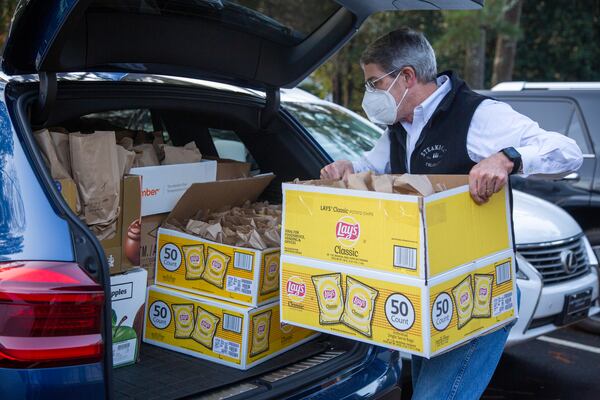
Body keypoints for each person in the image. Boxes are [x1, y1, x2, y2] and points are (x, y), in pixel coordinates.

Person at [320, 28, 583, 400]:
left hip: (476, 293)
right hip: (425, 292)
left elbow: (566, 151)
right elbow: (369, 167)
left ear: (406, 76)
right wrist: (345, 167)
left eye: (374, 83)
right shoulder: (399, 127)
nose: (369, 95)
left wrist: (507, 157)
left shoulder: (478, 116)